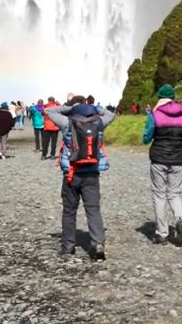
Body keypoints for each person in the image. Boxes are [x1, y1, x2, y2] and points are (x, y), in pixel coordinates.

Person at [46, 96, 114, 259]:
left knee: (69, 211)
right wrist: (94, 108)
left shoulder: (66, 122)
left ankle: (68, 247)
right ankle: (98, 242)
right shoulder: (99, 122)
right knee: (93, 209)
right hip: (91, 173)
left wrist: (69, 108)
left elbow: (48, 110)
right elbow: (111, 114)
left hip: (72, 173)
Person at [142, 84, 182, 245]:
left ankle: (162, 233)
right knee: (175, 193)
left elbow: (146, 138)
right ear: (173, 97)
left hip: (159, 158)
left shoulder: (155, 115)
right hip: (178, 158)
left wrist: (150, 117)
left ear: (160, 98)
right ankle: (180, 219)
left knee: (159, 194)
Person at [41, 96, 61, 160]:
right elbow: (61, 111)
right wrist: (58, 103)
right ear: (54, 100)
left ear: (48, 100)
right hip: (55, 127)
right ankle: (52, 155)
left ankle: (44, 155)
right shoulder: (57, 107)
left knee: (45, 142)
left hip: (47, 126)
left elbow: (42, 114)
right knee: (53, 142)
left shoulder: (45, 106)